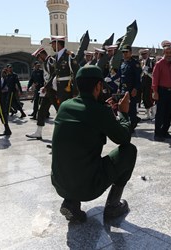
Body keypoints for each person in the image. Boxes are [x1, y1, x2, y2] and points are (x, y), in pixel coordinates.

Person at [51, 65, 137, 222]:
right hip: (88, 188)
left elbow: (86, 118)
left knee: (74, 155)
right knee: (129, 151)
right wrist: (123, 113)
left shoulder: (64, 106)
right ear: (98, 86)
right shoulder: (100, 112)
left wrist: (105, 111)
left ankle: (71, 203)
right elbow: (124, 138)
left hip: (60, 183)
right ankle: (113, 206)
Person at [27, 36, 79, 140]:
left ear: (57, 43)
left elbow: (76, 73)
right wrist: (46, 87)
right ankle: (59, 138)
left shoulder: (69, 55)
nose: (52, 46)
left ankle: (69, 138)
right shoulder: (56, 57)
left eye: (53, 44)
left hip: (65, 90)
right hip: (57, 90)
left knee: (65, 114)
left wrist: (75, 92)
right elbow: (54, 74)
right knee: (58, 114)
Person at [152, 40, 171, 141]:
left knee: (168, 113)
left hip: (170, 92)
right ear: (163, 53)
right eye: (167, 53)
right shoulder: (159, 64)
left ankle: (165, 131)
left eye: (170, 53)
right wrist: (155, 91)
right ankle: (158, 133)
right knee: (160, 113)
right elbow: (154, 78)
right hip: (161, 91)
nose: (169, 55)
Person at [119, 45, 142, 132]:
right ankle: (127, 123)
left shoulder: (134, 64)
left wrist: (135, 89)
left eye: (126, 52)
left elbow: (138, 78)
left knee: (131, 108)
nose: (124, 54)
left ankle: (132, 125)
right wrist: (119, 87)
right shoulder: (123, 63)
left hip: (131, 89)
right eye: (123, 52)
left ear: (131, 53)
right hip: (124, 89)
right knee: (124, 108)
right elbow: (122, 77)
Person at [139, 49, 155, 120]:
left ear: (147, 54)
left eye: (145, 54)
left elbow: (154, 70)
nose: (143, 55)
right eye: (142, 54)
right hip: (143, 81)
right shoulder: (142, 62)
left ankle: (153, 113)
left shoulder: (151, 61)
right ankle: (148, 114)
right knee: (144, 98)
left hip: (149, 81)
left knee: (149, 97)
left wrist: (148, 69)